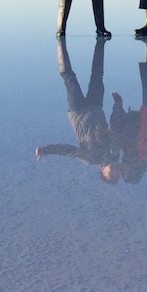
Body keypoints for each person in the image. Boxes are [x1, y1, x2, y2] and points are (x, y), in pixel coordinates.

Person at [35, 38, 120, 184]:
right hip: (96, 106)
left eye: (110, 173)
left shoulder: (90, 159)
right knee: (98, 74)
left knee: (69, 78)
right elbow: (115, 125)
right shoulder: (115, 150)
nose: (114, 170)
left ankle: (60, 43)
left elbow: (68, 151)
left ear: (103, 170)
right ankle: (101, 41)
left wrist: (46, 150)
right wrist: (118, 104)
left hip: (79, 111)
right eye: (116, 173)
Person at [110, 37, 147, 184]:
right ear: (133, 170)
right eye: (125, 172)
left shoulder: (129, 152)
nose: (123, 170)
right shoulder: (145, 154)